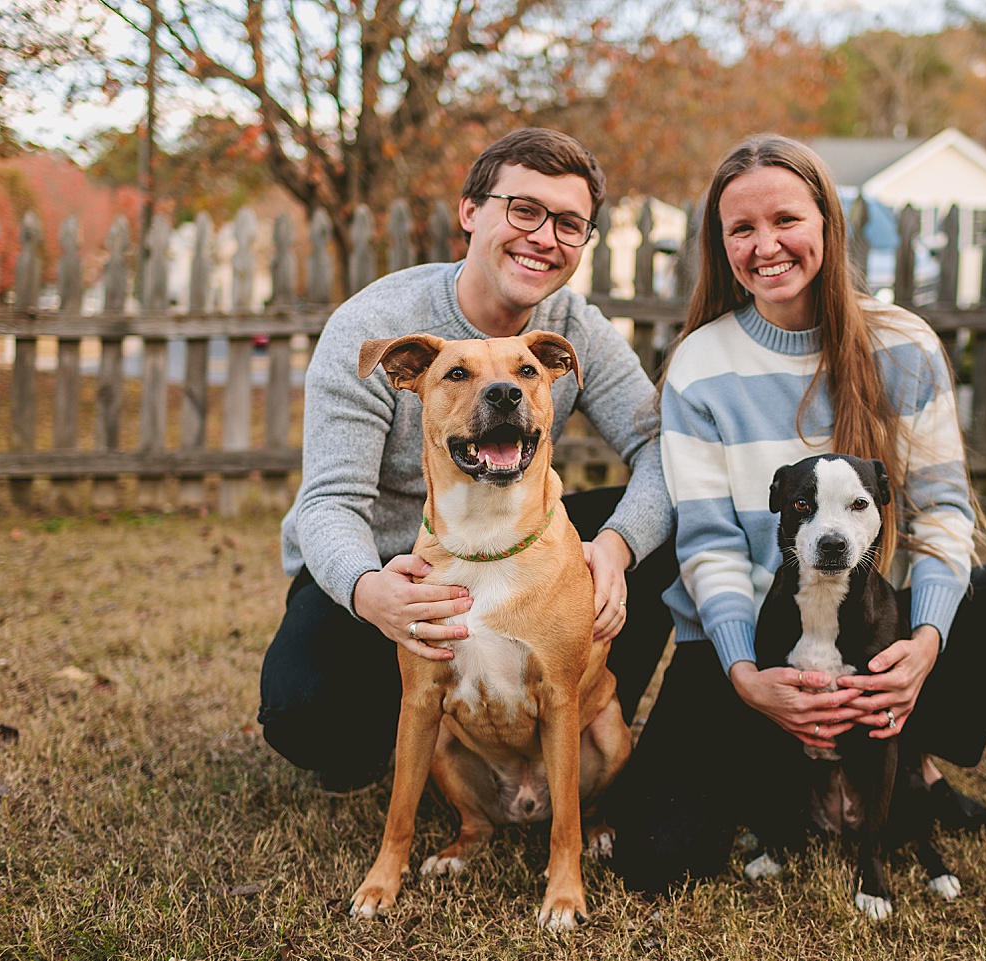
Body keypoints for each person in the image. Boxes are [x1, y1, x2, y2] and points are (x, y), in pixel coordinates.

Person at [608, 134, 986, 893]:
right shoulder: (700, 362)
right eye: (741, 229)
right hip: (750, 639)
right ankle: (788, 768)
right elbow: (709, 542)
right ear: (718, 242)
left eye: (786, 219)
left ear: (826, 221)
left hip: (870, 623)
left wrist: (922, 645)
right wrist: (746, 674)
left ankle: (901, 748)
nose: (766, 246)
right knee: (654, 859)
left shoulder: (901, 343)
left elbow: (940, 514)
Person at [259, 128, 676, 794]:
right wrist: (371, 592)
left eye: (570, 223)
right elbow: (329, 502)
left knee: (665, 527)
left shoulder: (575, 331)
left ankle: (573, 713)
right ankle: (400, 739)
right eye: (523, 210)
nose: (544, 236)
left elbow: (661, 442)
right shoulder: (378, 325)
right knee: (303, 709)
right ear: (470, 212)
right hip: (400, 567)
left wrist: (620, 549)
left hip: (520, 554)